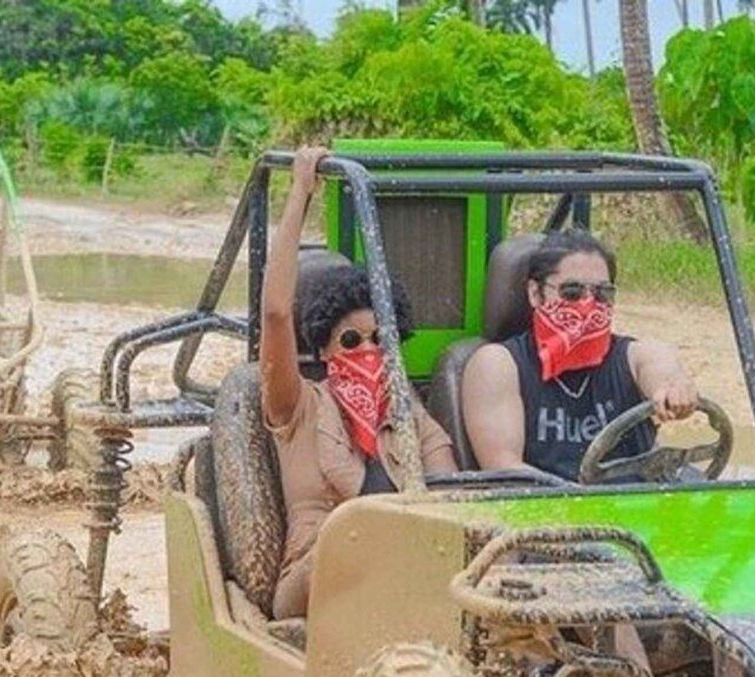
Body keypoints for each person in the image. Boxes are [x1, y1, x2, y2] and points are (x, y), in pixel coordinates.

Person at [262, 147, 458, 619]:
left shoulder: (410, 417)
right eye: (351, 340)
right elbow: (275, 313)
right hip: (317, 573)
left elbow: (449, 499)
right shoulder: (299, 406)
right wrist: (299, 196)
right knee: (354, 551)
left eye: (380, 340)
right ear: (326, 348)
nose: (367, 351)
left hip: (407, 564)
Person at [461, 229, 699, 483]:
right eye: (572, 292)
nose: (588, 304)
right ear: (534, 293)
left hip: (640, 508)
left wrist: (673, 391)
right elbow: (505, 471)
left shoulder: (635, 355)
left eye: (602, 293)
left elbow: (661, 369)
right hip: (549, 514)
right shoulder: (498, 364)